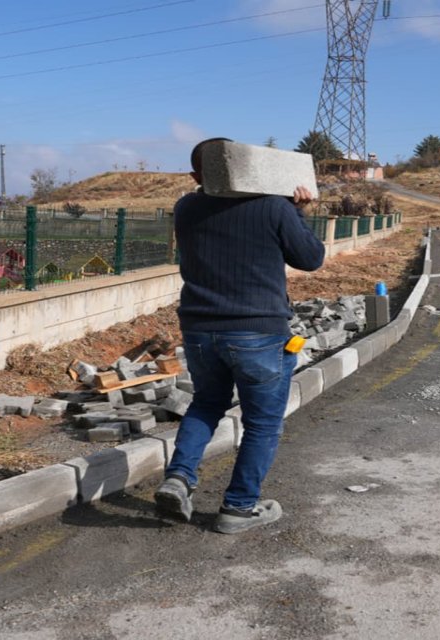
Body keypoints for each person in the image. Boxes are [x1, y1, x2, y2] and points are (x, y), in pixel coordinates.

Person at [155, 138, 325, 534]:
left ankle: (179, 477)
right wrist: (298, 212)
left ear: (196, 176)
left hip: (199, 329)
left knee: (206, 404)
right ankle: (238, 507)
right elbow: (311, 258)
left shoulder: (186, 206)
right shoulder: (273, 207)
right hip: (258, 332)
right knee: (263, 424)